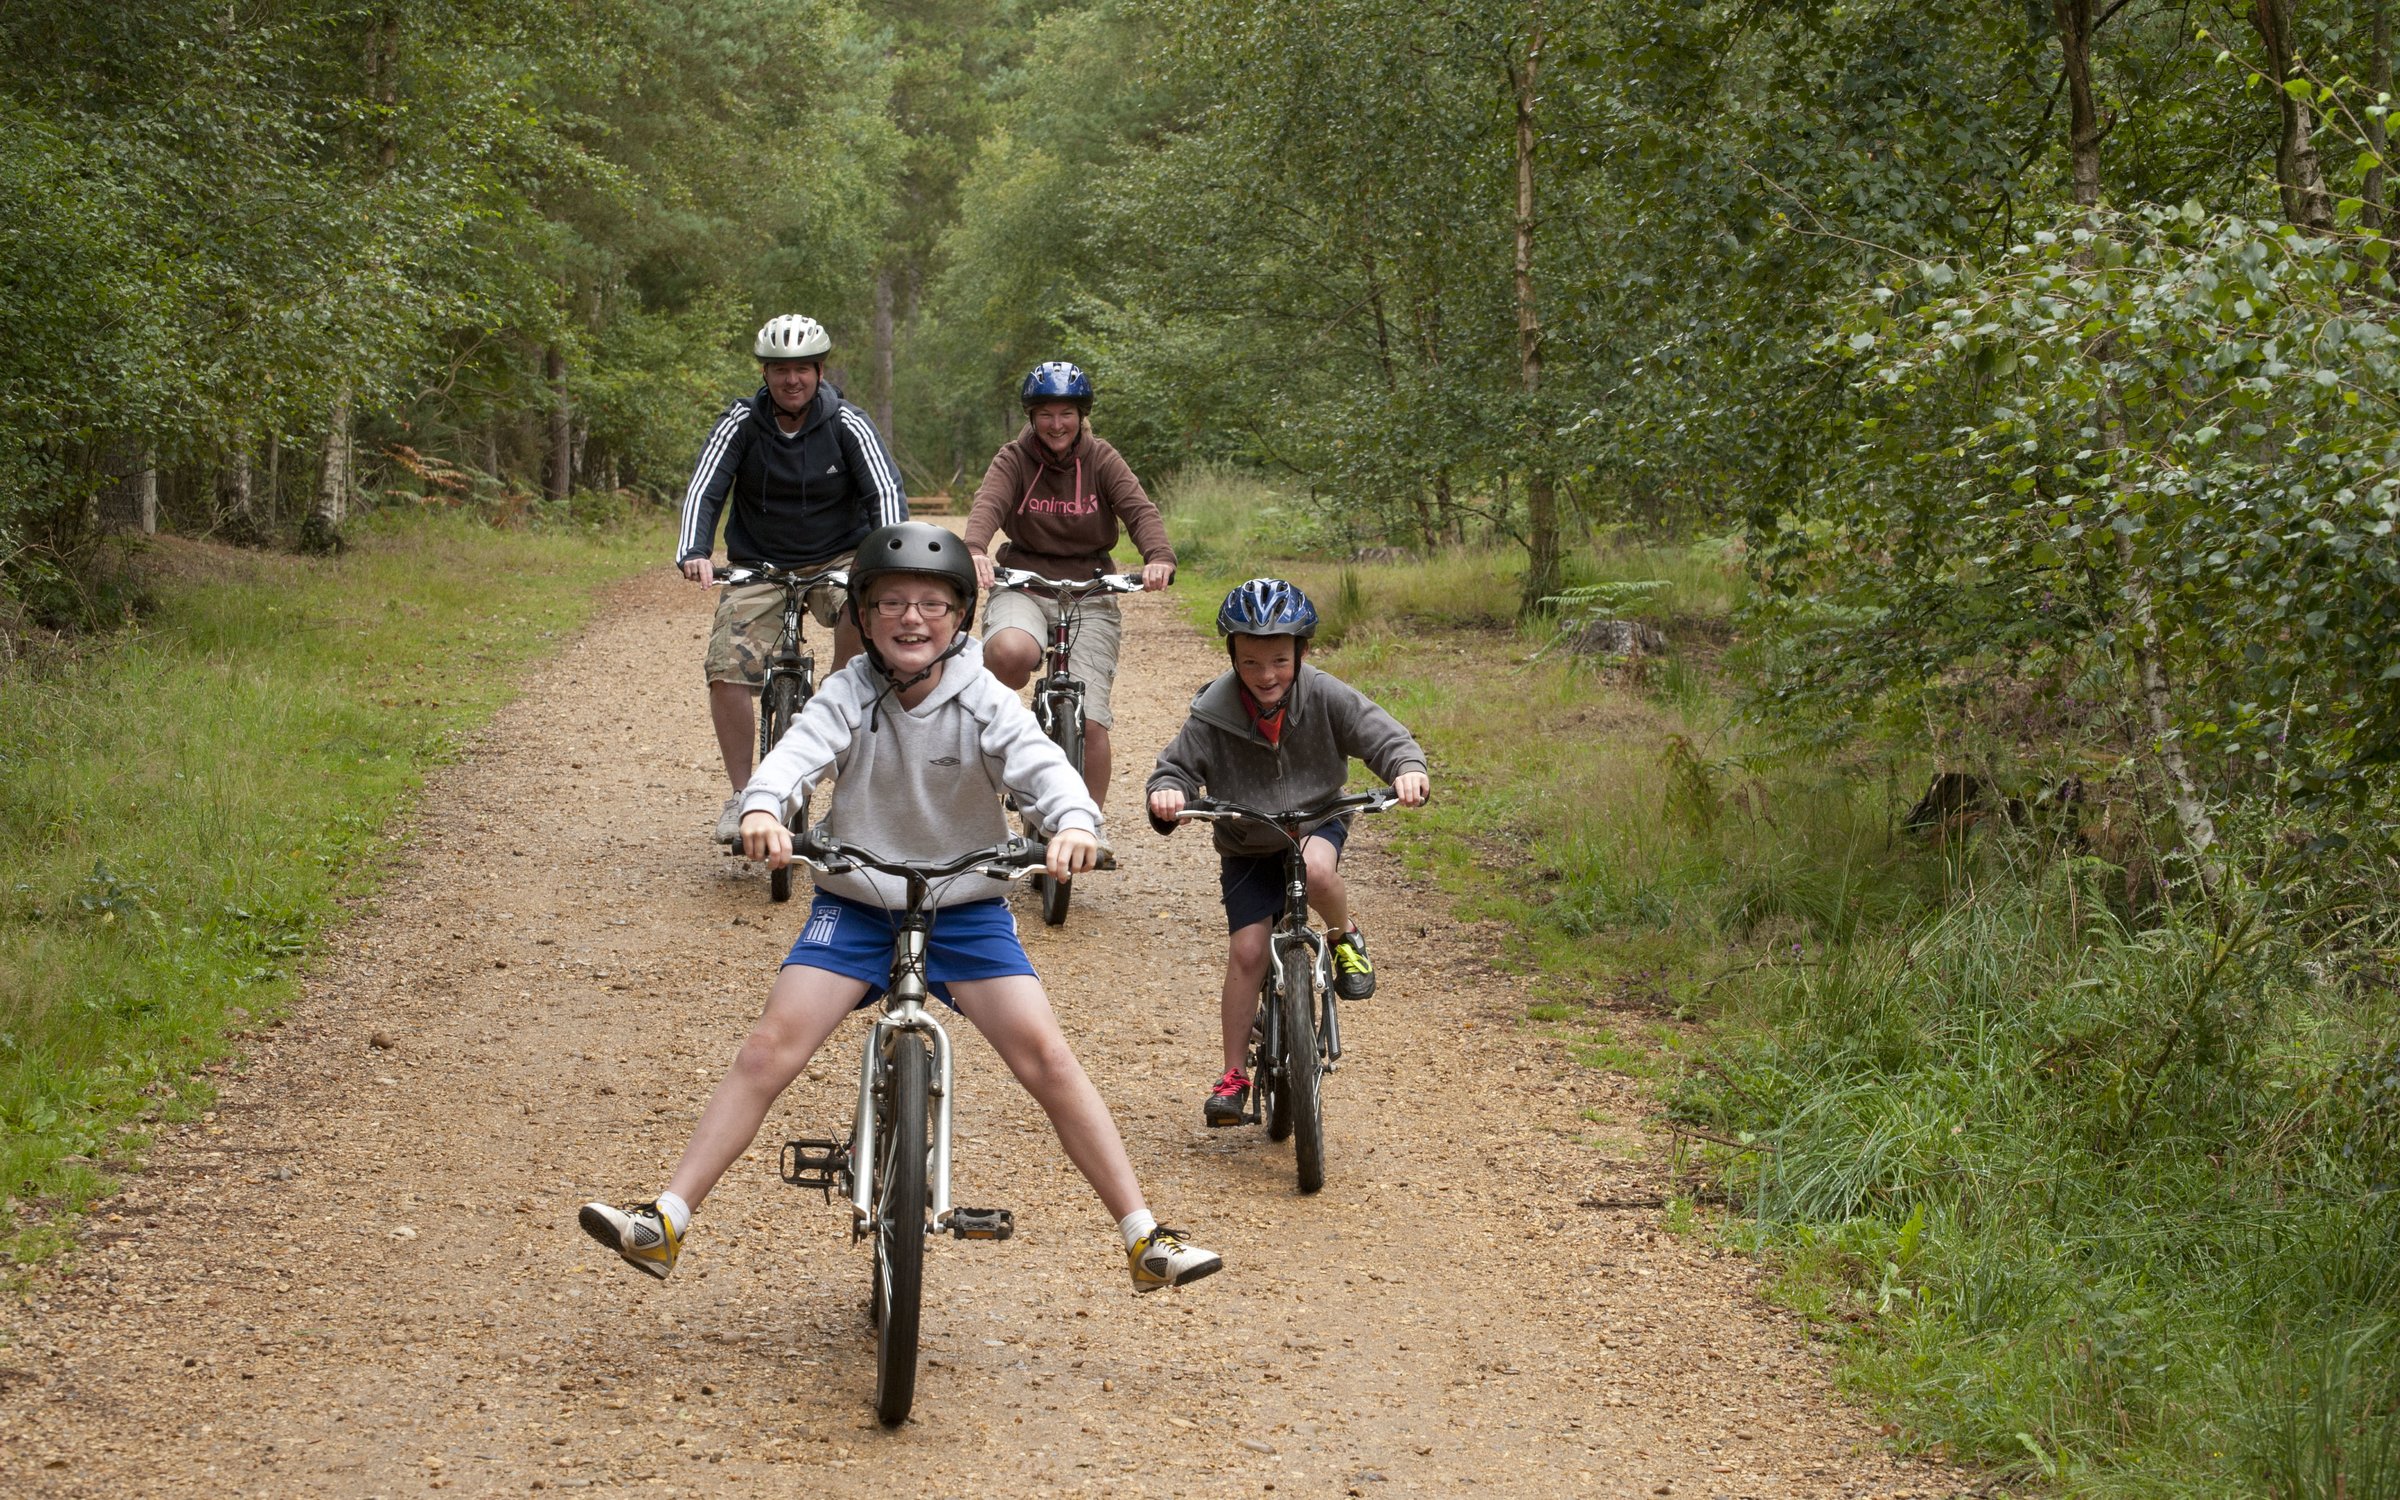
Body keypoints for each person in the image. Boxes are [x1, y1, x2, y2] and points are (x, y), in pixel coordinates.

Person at [582, 523, 1223, 1295]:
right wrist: (763, 808)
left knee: (1048, 1059)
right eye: (890, 603)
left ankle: (1142, 1235)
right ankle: (669, 1220)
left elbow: (1041, 766)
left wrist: (1076, 824)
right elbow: (796, 755)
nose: (911, 619)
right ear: (864, 614)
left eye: (931, 604)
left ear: (960, 617)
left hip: (966, 909)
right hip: (857, 902)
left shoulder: (983, 696)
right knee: (767, 1048)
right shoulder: (848, 692)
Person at [1144, 579, 1431, 1128]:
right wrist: (1168, 792)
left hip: (1316, 820)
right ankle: (1233, 1075)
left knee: (1317, 868)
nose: (1266, 675)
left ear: (1302, 651)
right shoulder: (1213, 711)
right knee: (1248, 954)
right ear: (1232, 657)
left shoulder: (1325, 694)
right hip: (1247, 839)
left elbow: (1384, 737)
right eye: (1251, 662)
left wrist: (1407, 770)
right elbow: (1174, 767)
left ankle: (1345, 938)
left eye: (1280, 659)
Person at [677, 314, 909, 844]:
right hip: (758, 563)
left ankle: (841, 691)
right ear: (765, 373)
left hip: (836, 558)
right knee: (727, 667)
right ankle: (743, 797)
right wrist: (694, 550)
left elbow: (884, 493)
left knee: (862, 613)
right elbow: (705, 488)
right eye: (780, 370)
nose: (792, 380)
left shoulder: (848, 422)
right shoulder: (740, 423)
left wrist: (890, 560)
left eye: (802, 369)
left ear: (820, 372)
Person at [963, 361, 1175, 813]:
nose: (1056, 424)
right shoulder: (1014, 458)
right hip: (1025, 584)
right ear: (1031, 417)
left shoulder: (1102, 458)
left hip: (1090, 593)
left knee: (1092, 721)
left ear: (1081, 415)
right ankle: (1007, 735)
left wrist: (1158, 557)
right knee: (1009, 654)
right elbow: (989, 504)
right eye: (1045, 414)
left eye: (1066, 414)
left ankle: (1088, 824)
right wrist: (976, 548)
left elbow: (1139, 510)